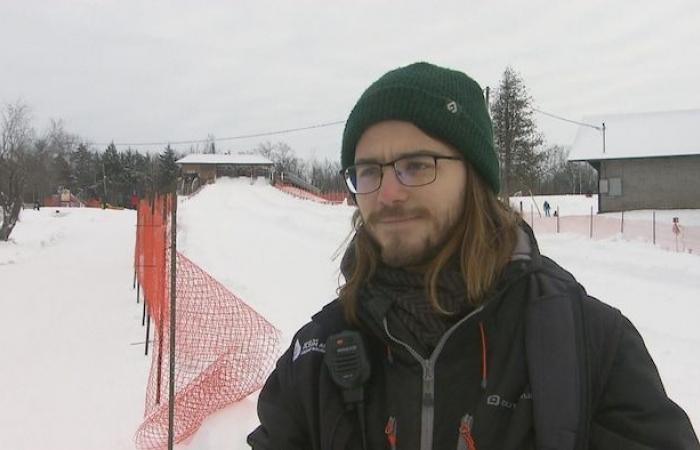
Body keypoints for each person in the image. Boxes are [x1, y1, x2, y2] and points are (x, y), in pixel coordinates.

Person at [247, 62, 699, 450]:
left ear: (475, 178)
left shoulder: (589, 346)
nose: (387, 192)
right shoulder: (316, 355)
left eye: (416, 166)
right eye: (368, 171)